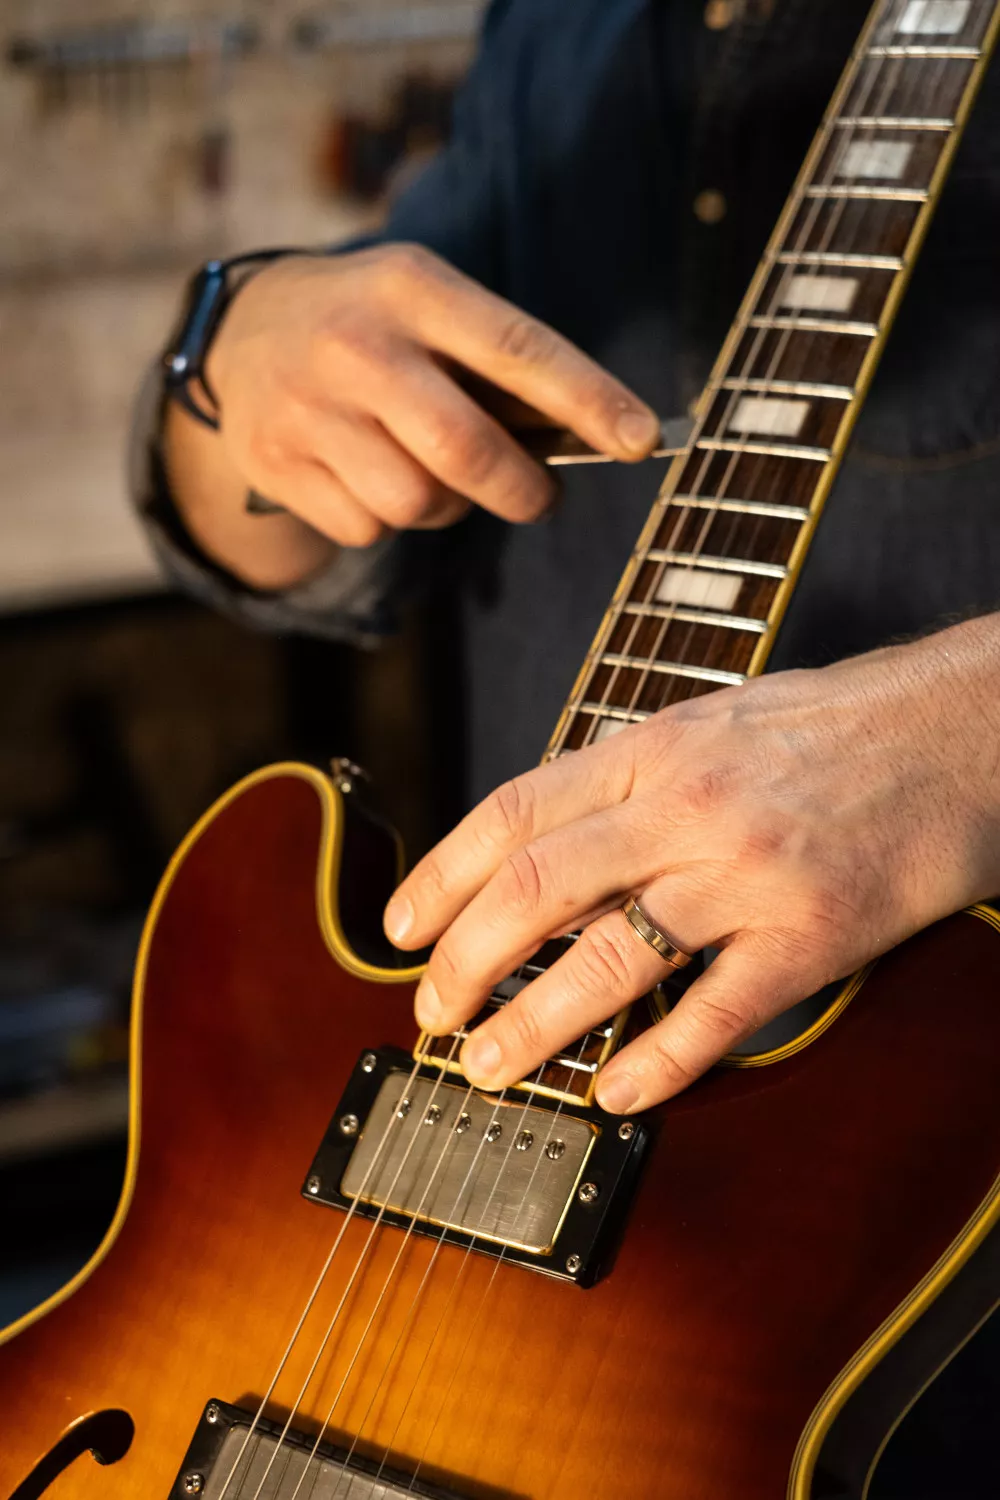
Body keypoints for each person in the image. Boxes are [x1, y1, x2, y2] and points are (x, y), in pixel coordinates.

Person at [135, 0, 1000, 1117]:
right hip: (480, 1072)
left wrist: (961, 734)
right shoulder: (558, 26)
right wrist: (232, 364)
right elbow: (262, 534)